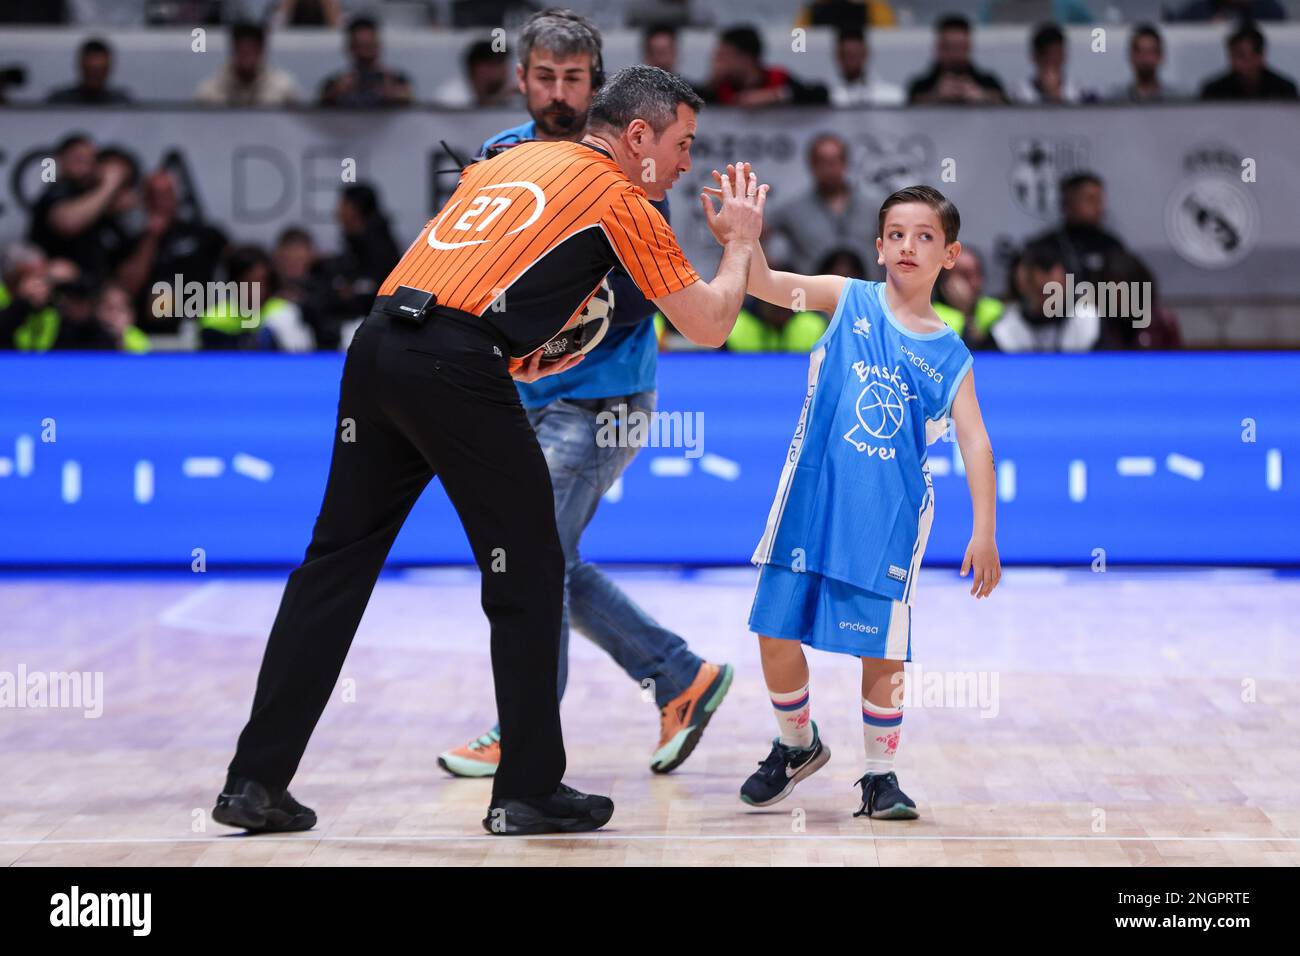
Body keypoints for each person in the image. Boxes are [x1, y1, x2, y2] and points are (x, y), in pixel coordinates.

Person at [212, 63, 770, 836]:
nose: (684, 164)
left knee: (334, 564)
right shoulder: (621, 196)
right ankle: (529, 789)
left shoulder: (509, 160)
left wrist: (513, 350)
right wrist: (739, 245)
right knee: (534, 564)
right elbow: (709, 326)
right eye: (683, 144)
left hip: (379, 343)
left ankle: (253, 783)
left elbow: (477, 271)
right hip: (452, 363)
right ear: (637, 136)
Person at [438, 9, 735, 781]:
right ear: (522, 76)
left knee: (535, 558)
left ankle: (525, 726)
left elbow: (640, 301)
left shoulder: (632, 166)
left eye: (575, 79)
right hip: (514, 397)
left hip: (599, 401)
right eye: (546, 77)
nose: (560, 92)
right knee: (550, 556)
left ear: (596, 84)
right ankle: (679, 676)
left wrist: (547, 345)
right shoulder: (498, 156)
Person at [712, 182, 1000, 818]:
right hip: (808, 501)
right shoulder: (849, 299)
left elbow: (976, 445)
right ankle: (796, 745)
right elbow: (762, 284)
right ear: (878, 247)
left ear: (949, 255)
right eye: (897, 234)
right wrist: (742, 237)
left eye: (925, 236)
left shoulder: (951, 353)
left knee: (883, 648)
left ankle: (880, 775)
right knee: (773, 630)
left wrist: (985, 530)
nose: (909, 245)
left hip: (886, 517)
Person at [765, 133, 876, 275]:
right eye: (822, 162)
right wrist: (770, 273)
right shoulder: (793, 209)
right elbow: (758, 233)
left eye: (834, 161)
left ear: (846, 163)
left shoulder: (873, 205)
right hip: (810, 293)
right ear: (812, 165)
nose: (829, 169)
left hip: (866, 292)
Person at [991, 239, 1099, 352]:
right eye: (1039, 291)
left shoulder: (1086, 319)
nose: (1040, 279)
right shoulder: (1004, 328)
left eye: (1051, 290)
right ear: (1020, 285)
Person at [695, 24, 829, 106]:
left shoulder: (777, 78)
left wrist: (774, 96)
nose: (717, 61)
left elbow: (820, 93)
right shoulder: (720, 87)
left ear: (745, 58)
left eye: (724, 56)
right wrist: (711, 85)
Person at [907, 15, 1007, 105]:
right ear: (938, 48)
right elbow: (909, 109)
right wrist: (936, 97)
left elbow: (1007, 110)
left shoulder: (989, 83)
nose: (955, 54)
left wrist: (982, 97)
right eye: (949, 48)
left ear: (969, 47)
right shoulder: (919, 86)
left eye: (961, 48)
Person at [195, 21, 301, 106]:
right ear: (233, 50)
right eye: (242, 51)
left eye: (251, 51)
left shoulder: (284, 89)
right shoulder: (209, 92)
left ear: (262, 51)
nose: (247, 57)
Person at [318, 15, 412, 108]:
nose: (365, 53)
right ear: (350, 48)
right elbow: (318, 110)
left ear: (379, 45)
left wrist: (394, 95)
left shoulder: (397, 80)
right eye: (360, 46)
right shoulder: (336, 83)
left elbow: (412, 105)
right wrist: (336, 93)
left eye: (369, 46)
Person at [1200, 22, 1298, 101]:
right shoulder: (1214, 91)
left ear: (1259, 56)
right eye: (1232, 56)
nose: (1235, 61)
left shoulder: (1284, 91)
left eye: (1242, 56)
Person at [1013, 22, 1094, 103]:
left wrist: (1056, 95)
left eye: (1057, 56)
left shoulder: (1080, 94)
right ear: (1035, 57)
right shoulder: (1019, 95)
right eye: (1047, 56)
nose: (1052, 61)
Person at [433, 39, 521, 108]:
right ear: (477, 68)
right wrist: (499, 98)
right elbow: (473, 122)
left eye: (504, 63)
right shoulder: (451, 95)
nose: (504, 70)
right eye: (496, 63)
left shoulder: (512, 95)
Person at [1107, 24, 1183, 102]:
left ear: (1161, 56)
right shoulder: (1116, 100)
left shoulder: (1175, 100)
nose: (1145, 58)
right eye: (1140, 52)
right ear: (1131, 56)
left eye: (1150, 52)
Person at [829, 28, 904, 107]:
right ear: (837, 56)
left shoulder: (892, 96)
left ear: (866, 53)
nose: (851, 61)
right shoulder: (829, 97)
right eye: (846, 55)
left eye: (856, 55)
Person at [47, 37, 132, 104]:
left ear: (109, 69)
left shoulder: (122, 104)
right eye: (90, 70)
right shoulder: (60, 102)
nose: (95, 76)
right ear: (81, 66)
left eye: (100, 70)